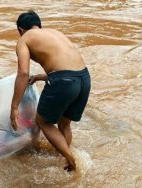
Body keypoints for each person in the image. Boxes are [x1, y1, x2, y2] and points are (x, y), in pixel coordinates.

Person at [10, 10, 91, 172]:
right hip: (84, 78)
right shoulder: (54, 33)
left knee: (42, 121)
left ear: (20, 30)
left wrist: (14, 106)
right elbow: (66, 65)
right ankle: (62, 158)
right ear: (39, 25)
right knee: (64, 123)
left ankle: (70, 158)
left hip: (64, 81)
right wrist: (41, 77)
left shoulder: (24, 39)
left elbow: (23, 73)